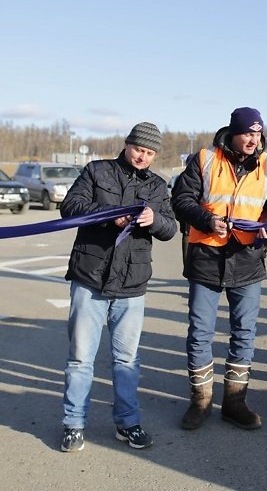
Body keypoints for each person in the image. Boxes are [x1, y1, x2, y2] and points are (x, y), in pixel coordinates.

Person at [60, 122, 177, 452]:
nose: (143, 156)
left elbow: (170, 228)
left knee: (127, 360)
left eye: (150, 152)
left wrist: (154, 220)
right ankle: (73, 423)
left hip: (132, 284)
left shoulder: (157, 185)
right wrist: (109, 214)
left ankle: (128, 423)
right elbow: (70, 207)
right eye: (139, 149)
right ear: (127, 145)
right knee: (81, 358)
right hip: (90, 277)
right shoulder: (97, 171)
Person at [172, 107, 267, 430]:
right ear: (233, 133)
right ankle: (201, 402)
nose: (253, 139)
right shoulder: (205, 159)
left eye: (258, 133)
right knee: (200, 333)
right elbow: (181, 200)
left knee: (244, 333)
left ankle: (235, 401)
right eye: (247, 133)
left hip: (248, 260)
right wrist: (207, 220)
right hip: (206, 257)